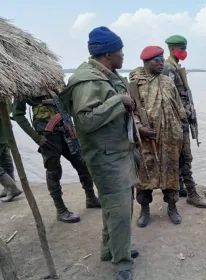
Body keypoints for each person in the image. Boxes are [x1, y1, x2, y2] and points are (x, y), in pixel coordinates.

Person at [60, 26, 139, 280]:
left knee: (116, 207)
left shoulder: (106, 75)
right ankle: (122, 264)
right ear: (107, 54)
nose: (123, 55)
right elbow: (84, 121)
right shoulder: (88, 81)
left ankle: (112, 249)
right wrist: (119, 102)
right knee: (118, 210)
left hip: (118, 153)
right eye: (120, 51)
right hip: (106, 158)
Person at [13, 84, 101, 223]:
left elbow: (70, 102)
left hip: (67, 130)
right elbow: (18, 114)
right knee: (54, 172)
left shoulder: (55, 80)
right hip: (48, 137)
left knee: (83, 164)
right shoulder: (26, 83)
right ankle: (60, 210)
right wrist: (36, 138)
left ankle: (91, 198)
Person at [129, 45, 187, 227]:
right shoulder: (135, 83)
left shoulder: (167, 81)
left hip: (170, 138)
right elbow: (130, 112)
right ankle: (144, 209)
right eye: (157, 60)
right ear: (146, 62)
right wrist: (139, 128)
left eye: (163, 59)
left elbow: (178, 107)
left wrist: (181, 130)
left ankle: (172, 207)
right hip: (147, 139)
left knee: (171, 173)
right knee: (145, 175)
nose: (162, 62)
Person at [161, 34, 206, 208]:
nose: (184, 52)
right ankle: (191, 193)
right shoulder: (168, 69)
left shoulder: (175, 67)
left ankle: (180, 186)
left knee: (181, 156)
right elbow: (169, 99)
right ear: (173, 49)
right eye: (182, 49)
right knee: (185, 156)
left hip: (182, 118)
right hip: (177, 121)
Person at [0, 98, 23, 202]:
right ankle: (8, 187)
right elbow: (9, 108)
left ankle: (11, 188)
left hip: (2, 132)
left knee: (5, 161)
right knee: (5, 161)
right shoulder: (5, 92)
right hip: (5, 132)